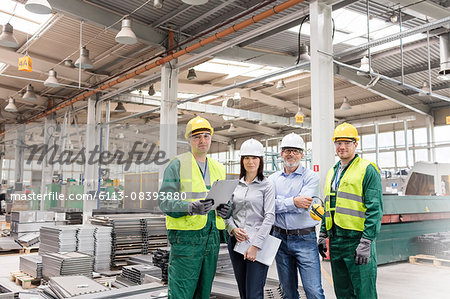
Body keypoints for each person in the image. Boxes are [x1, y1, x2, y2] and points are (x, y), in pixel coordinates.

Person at [158, 116, 228, 299]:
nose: (202, 140)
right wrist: (189, 207)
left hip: (211, 238)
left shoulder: (218, 167)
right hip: (187, 240)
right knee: (182, 292)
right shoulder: (177, 164)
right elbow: (165, 201)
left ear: (211, 138)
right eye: (197, 136)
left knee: (204, 292)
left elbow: (223, 198)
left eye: (206, 136)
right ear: (189, 139)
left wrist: (227, 210)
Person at [318, 122, 383, 299]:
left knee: (364, 292)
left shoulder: (367, 169)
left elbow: (375, 208)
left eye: (347, 142)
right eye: (339, 142)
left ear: (356, 144)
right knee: (343, 292)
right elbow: (328, 207)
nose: (342, 147)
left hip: (358, 240)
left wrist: (367, 241)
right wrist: (323, 234)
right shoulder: (332, 172)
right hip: (337, 241)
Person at [268, 133, 325, 299]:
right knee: (288, 293)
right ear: (281, 154)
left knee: (314, 292)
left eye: (295, 150)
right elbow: (269, 206)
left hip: (305, 239)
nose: (291, 154)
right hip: (280, 239)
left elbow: (303, 207)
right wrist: (294, 201)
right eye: (287, 150)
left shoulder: (311, 177)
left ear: (302, 154)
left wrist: (281, 203)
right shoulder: (272, 179)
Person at [223, 138, 275, 299]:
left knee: (254, 293)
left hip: (257, 243)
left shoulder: (267, 185)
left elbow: (270, 217)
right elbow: (225, 212)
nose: (250, 162)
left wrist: (255, 246)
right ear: (242, 161)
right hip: (236, 242)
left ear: (260, 161)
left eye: (254, 158)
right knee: (244, 292)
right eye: (247, 158)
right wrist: (232, 228)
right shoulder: (234, 185)